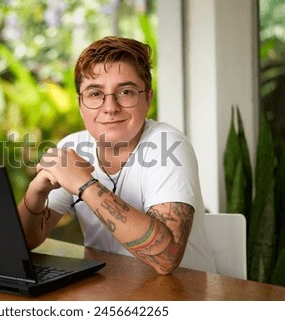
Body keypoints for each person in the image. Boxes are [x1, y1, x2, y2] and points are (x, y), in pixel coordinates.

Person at [17, 36, 216, 275]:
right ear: (81, 104)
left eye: (126, 92)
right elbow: (24, 244)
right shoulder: (73, 146)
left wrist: (83, 183)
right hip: (110, 287)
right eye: (94, 94)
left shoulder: (169, 146)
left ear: (148, 99)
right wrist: (36, 191)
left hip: (183, 295)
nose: (110, 107)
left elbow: (166, 258)